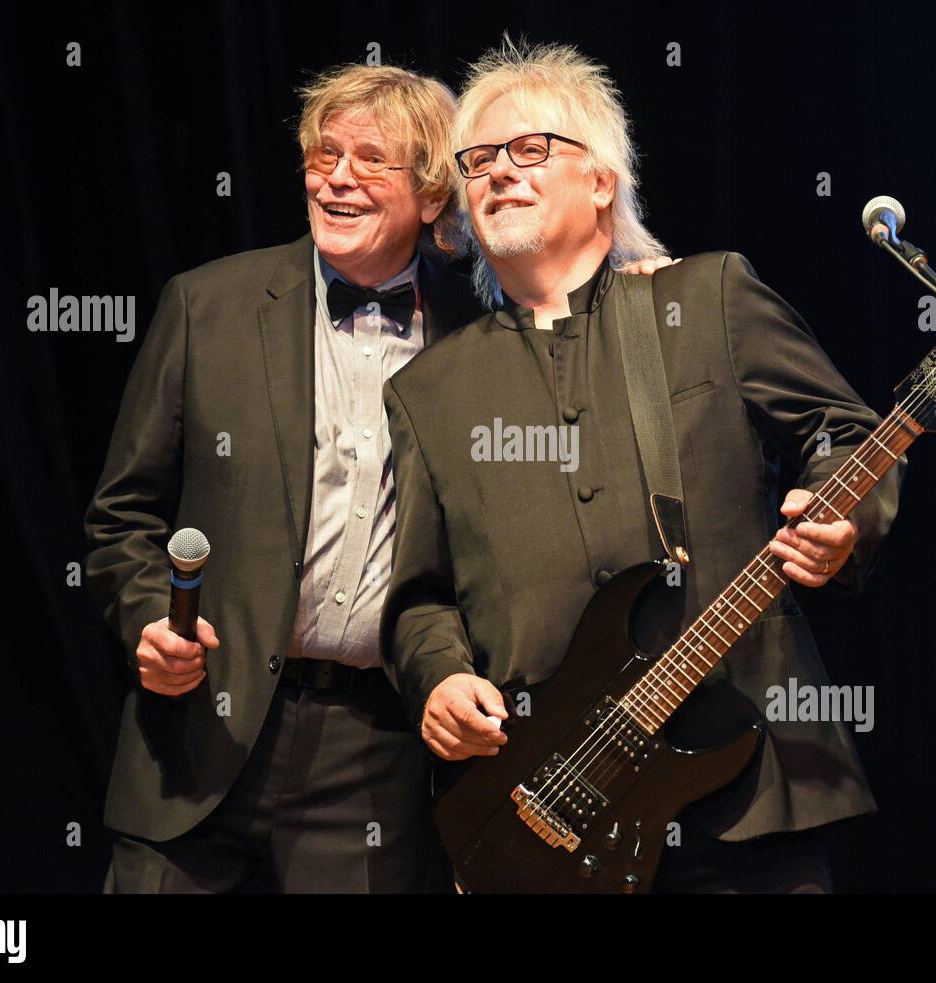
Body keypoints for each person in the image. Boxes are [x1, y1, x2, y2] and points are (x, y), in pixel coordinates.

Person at [84, 61, 667, 894]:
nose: (337, 179)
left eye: (370, 160)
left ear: (432, 195)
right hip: (199, 730)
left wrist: (638, 292)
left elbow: (585, 331)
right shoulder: (207, 307)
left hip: (374, 754)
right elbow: (121, 518)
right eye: (324, 155)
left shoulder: (485, 334)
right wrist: (149, 617)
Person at [380, 39, 905, 893]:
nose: (497, 172)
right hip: (554, 816)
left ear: (601, 181)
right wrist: (438, 678)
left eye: (529, 149)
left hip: (746, 788)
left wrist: (845, 518)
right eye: (478, 160)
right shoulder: (427, 391)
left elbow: (844, 429)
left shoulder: (706, 297)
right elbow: (420, 596)